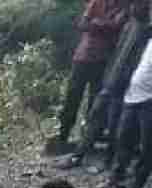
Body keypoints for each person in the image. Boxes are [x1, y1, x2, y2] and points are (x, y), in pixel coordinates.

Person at [65, 2, 152, 167]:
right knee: (96, 115)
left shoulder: (146, 32)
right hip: (112, 79)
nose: (135, 7)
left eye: (140, 5)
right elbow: (117, 51)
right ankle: (78, 155)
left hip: (127, 85)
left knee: (115, 125)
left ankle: (109, 161)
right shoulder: (130, 25)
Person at [50, 0, 130, 154]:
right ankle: (63, 137)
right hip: (82, 57)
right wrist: (104, 25)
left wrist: (96, 23)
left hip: (102, 61)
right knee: (71, 98)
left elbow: (116, 26)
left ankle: (87, 141)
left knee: (94, 103)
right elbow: (83, 24)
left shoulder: (123, 8)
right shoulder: (97, 2)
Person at [110, 34, 152, 188]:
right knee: (123, 137)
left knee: (147, 145)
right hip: (132, 95)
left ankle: (137, 184)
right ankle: (116, 176)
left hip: (149, 100)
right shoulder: (146, 39)